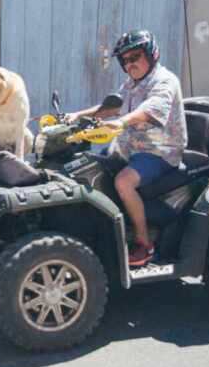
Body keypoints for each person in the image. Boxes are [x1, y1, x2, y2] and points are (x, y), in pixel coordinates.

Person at [65, 30, 187, 266]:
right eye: (125, 60)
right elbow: (111, 107)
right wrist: (75, 116)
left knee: (123, 182)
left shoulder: (165, 81)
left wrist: (121, 122)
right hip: (129, 148)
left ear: (151, 54)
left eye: (136, 56)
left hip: (159, 152)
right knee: (87, 168)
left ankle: (144, 243)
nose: (130, 63)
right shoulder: (131, 83)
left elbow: (149, 110)